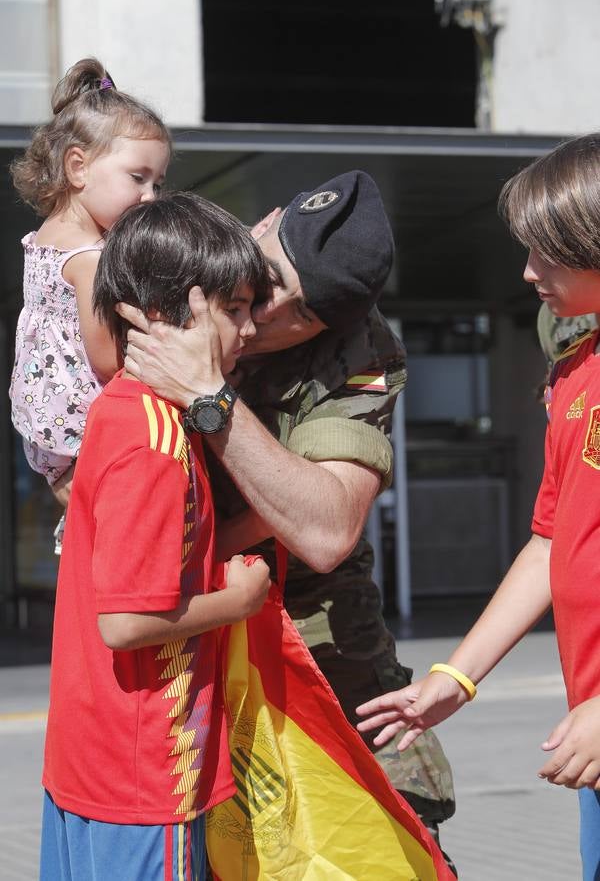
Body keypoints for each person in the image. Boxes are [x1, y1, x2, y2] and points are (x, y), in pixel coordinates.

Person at [116, 171, 457, 860]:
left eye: (299, 314)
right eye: (266, 282)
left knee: (385, 843)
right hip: (175, 637)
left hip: (313, 640)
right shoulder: (173, 257)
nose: (265, 315)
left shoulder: (361, 348)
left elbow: (326, 531)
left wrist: (209, 399)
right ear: (262, 222)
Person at [355, 132, 600, 881]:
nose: (527, 274)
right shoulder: (575, 375)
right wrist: (456, 677)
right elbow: (551, 541)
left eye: (545, 254)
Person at [40, 191, 272, 881]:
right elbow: (127, 620)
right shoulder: (157, 437)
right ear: (169, 316)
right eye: (233, 310)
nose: (251, 328)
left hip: (94, 760)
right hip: (146, 773)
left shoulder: (123, 413)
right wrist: (240, 601)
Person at [8, 56, 171, 549]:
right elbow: (105, 360)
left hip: (44, 422)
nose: (150, 196)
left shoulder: (42, 239)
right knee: (126, 536)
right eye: (138, 177)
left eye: (157, 183)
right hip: (83, 425)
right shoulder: (92, 259)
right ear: (77, 167)